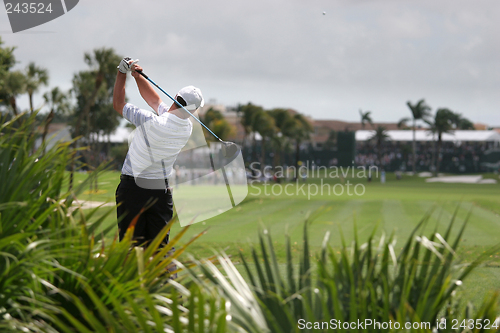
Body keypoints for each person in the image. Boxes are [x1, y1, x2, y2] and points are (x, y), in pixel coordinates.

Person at [112, 57, 204, 247]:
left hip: (133, 190)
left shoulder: (151, 121)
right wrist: (138, 77)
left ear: (176, 97)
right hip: (160, 193)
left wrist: (122, 73)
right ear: (193, 110)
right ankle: (166, 278)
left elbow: (119, 104)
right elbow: (155, 101)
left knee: (132, 249)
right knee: (159, 250)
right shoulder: (186, 127)